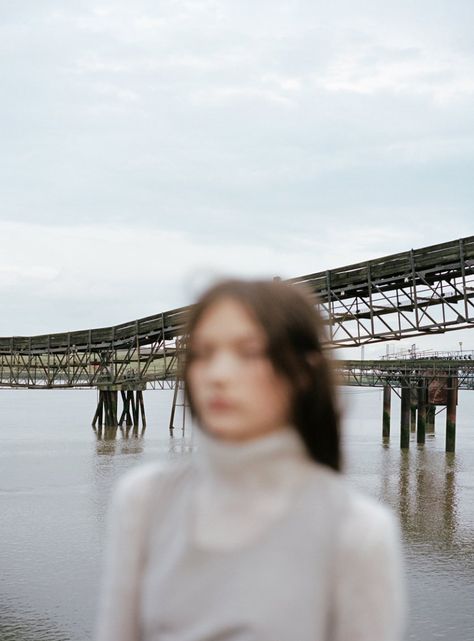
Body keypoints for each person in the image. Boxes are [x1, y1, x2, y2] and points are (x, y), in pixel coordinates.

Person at [95, 278, 407, 641]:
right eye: (203, 353)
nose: (218, 374)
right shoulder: (144, 501)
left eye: (249, 352)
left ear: (303, 373)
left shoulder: (358, 533)